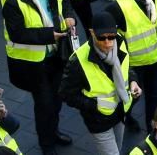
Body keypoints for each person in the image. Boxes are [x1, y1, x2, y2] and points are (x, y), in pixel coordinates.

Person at [1, 0, 77, 154]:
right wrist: (49, 35)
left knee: (57, 99)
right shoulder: (13, 1)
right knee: (44, 105)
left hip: (57, 56)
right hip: (32, 64)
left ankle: (54, 131)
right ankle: (47, 144)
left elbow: (66, 1)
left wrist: (69, 16)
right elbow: (17, 34)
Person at [60, 11, 143, 155]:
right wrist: (94, 105)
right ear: (92, 33)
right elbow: (66, 94)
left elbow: (127, 67)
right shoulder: (78, 61)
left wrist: (133, 81)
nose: (108, 42)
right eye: (102, 37)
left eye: (111, 37)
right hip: (98, 120)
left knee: (118, 147)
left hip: (121, 110)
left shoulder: (121, 42)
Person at [105, 0, 157, 126]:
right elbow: (112, 39)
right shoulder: (118, 7)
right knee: (132, 98)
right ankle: (125, 118)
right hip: (134, 65)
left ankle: (151, 131)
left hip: (155, 57)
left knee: (154, 97)